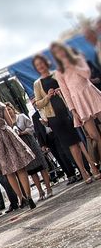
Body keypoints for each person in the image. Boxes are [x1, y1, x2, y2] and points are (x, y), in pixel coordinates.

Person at [33, 53, 100, 183]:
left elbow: (70, 89)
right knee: (72, 146)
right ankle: (84, 173)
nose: (40, 66)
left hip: (68, 111)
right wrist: (47, 96)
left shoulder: (57, 73)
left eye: (41, 63)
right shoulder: (37, 83)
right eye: (37, 65)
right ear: (36, 68)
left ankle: (94, 168)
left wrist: (60, 90)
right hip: (55, 118)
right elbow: (38, 103)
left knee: (82, 141)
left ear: (46, 62)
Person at [50, 42, 101, 178]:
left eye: (60, 50)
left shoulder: (78, 60)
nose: (60, 54)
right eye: (56, 53)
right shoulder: (58, 72)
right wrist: (73, 111)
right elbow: (66, 93)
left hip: (90, 93)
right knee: (94, 136)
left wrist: (72, 65)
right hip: (78, 101)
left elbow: (86, 74)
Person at [5, 103, 53, 200]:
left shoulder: (21, 117)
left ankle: (48, 188)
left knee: (41, 166)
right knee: (31, 170)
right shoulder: (7, 124)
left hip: (30, 142)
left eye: (9, 109)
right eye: (6, 110)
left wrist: (23, 132)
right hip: (21, 147)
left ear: (13, 109)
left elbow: (31, 127)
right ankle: (40, 191)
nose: (8, 112)